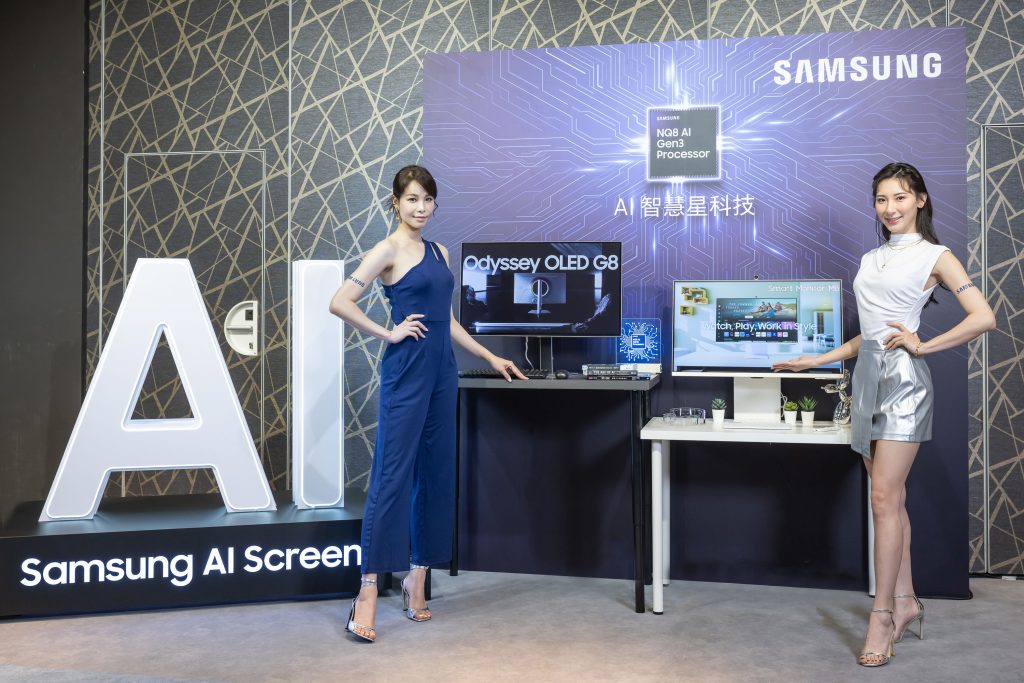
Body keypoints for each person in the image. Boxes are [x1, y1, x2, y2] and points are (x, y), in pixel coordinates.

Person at [772, 162, 995, 667]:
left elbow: (984, 317)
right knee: (892, 500)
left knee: (881, 498)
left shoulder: (936, 256)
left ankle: (882, 616)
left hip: (903, 385)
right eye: (881, 199)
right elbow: (869, 336)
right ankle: (907, 600)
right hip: (867, 381)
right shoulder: (871, 258)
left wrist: (923, 345)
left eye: (900, 197)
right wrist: (816, 360)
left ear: (920, 199)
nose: (890, 208)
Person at [329, 165, 527, 642]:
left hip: (443, 372)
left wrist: (489, 356)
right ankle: (368, 589)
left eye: (428, 199)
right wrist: (388, 332)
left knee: (437, 473)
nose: (421, 207)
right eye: (412, 199)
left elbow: (447, 320)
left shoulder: (440, 252)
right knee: (391, 476)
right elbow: (340, 301)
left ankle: (417, 577)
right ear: (396, 202)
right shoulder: (387, 250)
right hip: (406, 371)